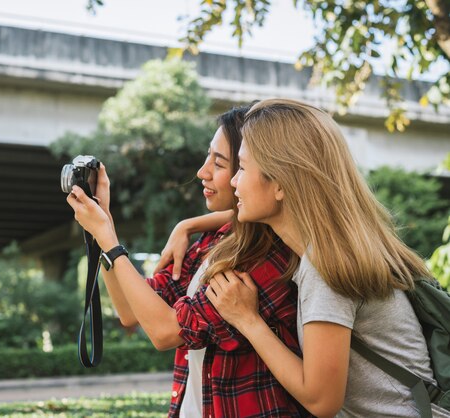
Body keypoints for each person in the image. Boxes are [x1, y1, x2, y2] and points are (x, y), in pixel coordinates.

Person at [194, 98, 450, 417]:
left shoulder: (324, 269)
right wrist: (186, 226)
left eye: (242, 168)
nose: (233, 181)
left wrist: (248, 320)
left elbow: (321, 400)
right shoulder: (340, 245)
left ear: (280, 184)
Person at [66, 105, 310, 417]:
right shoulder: (216, 238)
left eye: (219, 163)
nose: (202, 171)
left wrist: (109, 240)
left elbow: (166, 332)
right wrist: (105, 225)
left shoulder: (270, 258)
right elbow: (130, 311)